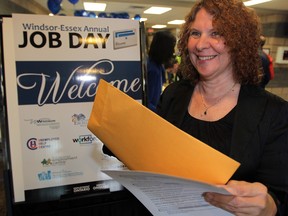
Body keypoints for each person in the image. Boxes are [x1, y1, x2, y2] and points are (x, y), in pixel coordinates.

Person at [157, 0, 288, 215]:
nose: (200, 45)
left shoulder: (274, 113)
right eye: (195, 33)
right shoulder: (173, 95)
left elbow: (279, 196)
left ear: (239, 42)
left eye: (216, 33)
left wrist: (267, 207)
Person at [146, 31, 176, 112]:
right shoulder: (152, 69)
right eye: (171, 47)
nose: (173, 51)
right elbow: (148, 102)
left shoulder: (158, 65)